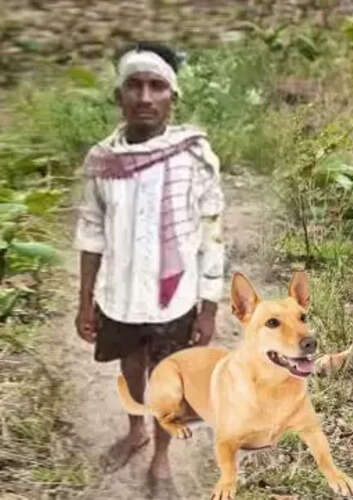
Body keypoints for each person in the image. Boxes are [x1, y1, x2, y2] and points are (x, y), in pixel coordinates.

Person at [73, 41, 225, 495]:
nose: (144, 97)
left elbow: (211, 234)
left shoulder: (195, 155)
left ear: (172, 97)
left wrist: (209, 307)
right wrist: (85, 302)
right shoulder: (102, 160)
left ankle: (160, 457)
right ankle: (135, 429)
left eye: (156, 86)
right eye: (134, 86)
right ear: (119, 96)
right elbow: (92, 231)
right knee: (131, 365)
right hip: (119, 295)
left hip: (175, 299)